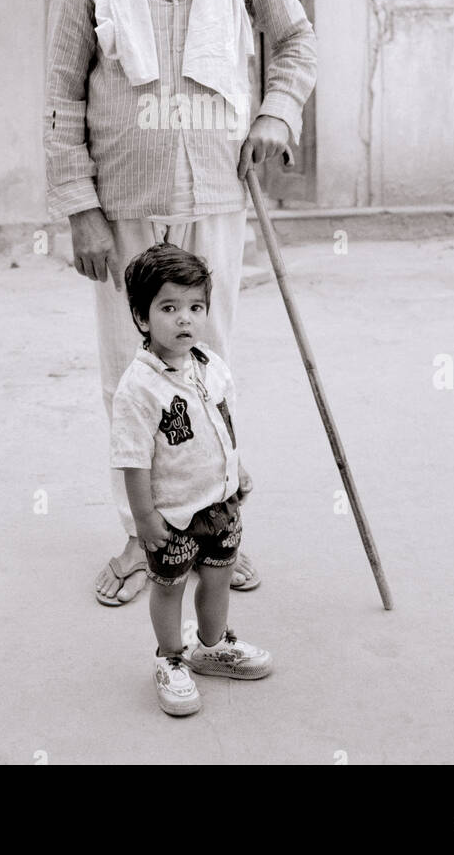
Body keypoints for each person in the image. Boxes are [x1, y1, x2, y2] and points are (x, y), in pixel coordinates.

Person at [44, 0, 317, 604]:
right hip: (123, 201)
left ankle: (214, 533)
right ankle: (141, 538)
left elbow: (295, 39)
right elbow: (61, 93)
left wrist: (275, 111)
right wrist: (79, 205)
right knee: (130, 377)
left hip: (213, 196)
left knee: (211, 373)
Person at [111, 242, 272, 716]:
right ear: (142, 318)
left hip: (221, 506)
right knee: (169, 587)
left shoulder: (211, 365)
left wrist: (235, 468)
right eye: (169, 308)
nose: (185, 319)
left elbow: (222, 424)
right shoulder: (138, 389)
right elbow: (132, 460)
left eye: (195, 307)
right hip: (174, 516)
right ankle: (171, 659)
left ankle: (211, 645)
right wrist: (144, 518)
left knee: (218, 578)